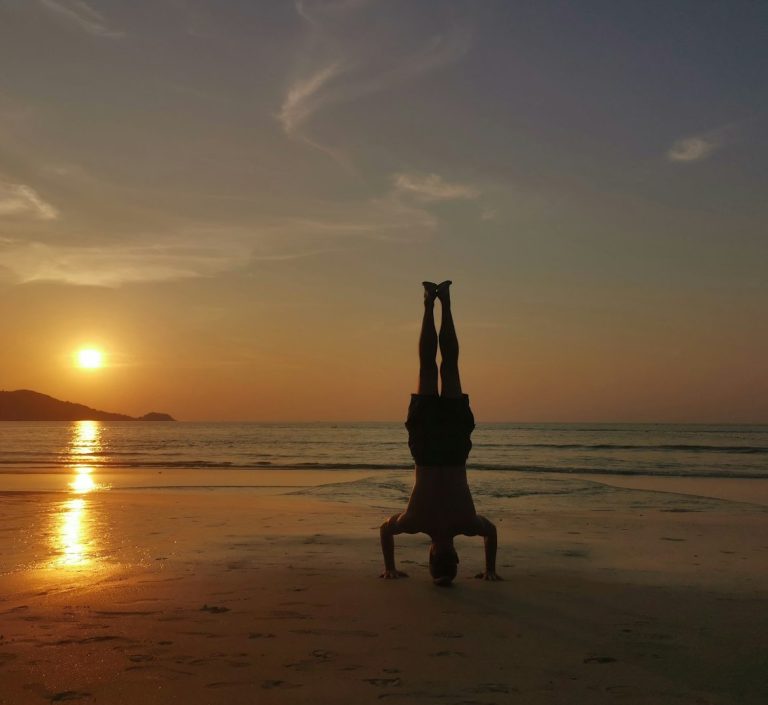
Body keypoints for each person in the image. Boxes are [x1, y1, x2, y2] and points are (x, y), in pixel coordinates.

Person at [379, 281, 501, 586]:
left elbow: (491, 532)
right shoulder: (414, 521)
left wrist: (491, 568)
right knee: (427, 368)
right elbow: (385, 529)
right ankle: (428, 303)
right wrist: (389, 566)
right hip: (426, 449)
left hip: (455, 450)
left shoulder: (468, 523)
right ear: (431, 556)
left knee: (450, 367)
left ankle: (444, 302)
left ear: (457, 557)